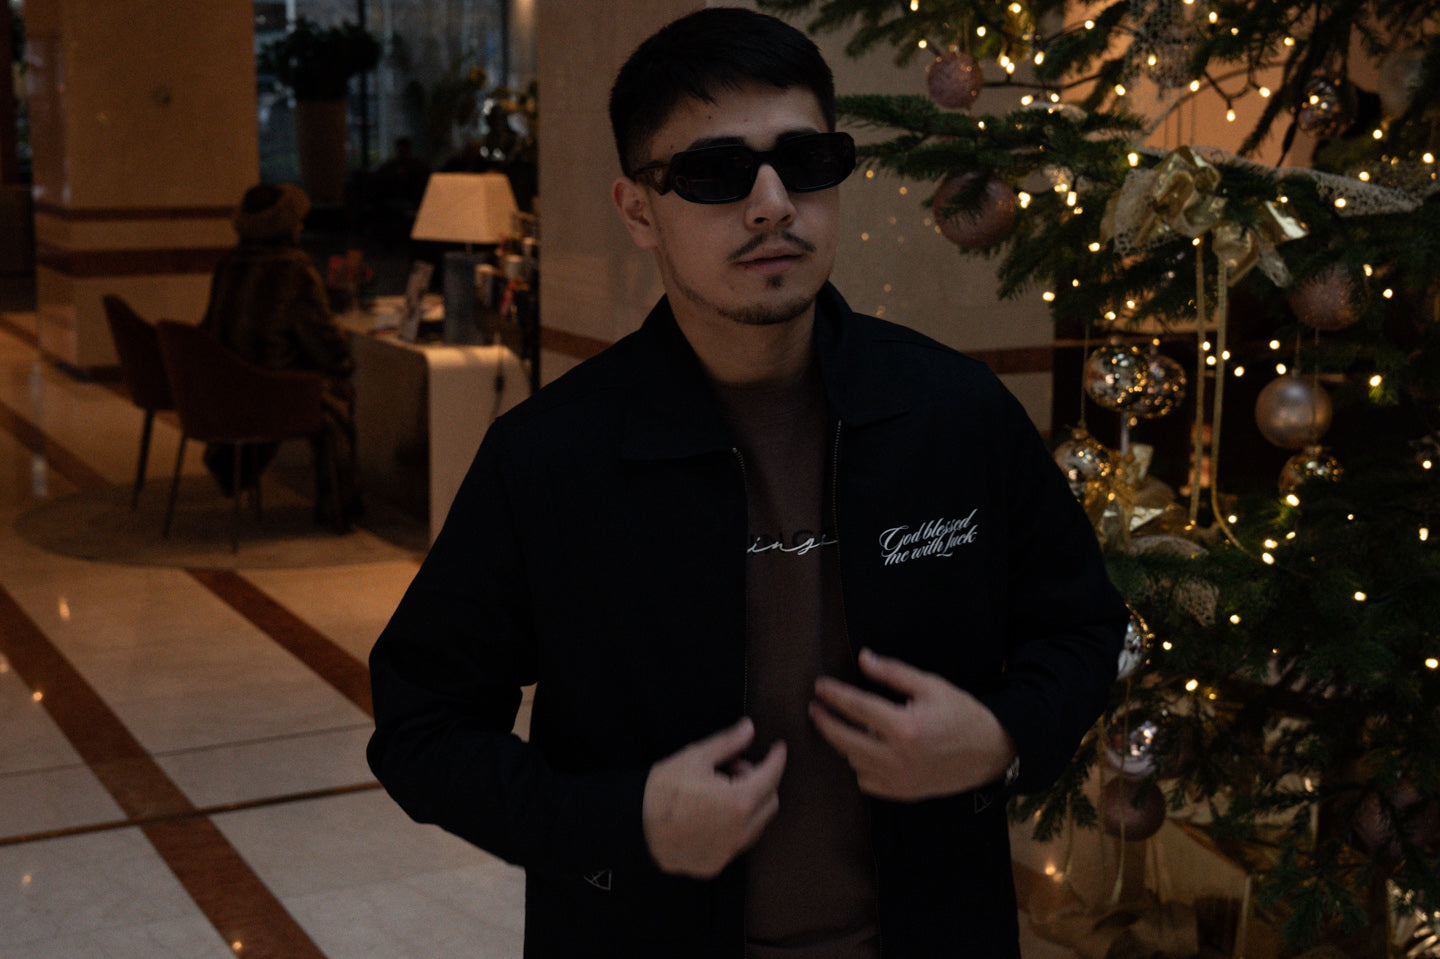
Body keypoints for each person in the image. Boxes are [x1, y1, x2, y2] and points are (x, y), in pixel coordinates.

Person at [367, 8, 1127, 958]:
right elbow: (421, 725)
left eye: (805, 161)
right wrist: (621, 819)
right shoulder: (551, 458)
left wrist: (1002, 737)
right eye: (716, 172)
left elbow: (1081, 623)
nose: (772, 203)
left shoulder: (952, 413)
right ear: (637, 210)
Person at [200, 182, 359, 529]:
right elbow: (326, 344)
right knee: (338, 395)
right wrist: (344, 361)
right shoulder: (293, 268)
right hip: (270, 397)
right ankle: (337, 505)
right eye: (297, 221)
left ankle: (233, 464)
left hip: (223, 394)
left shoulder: (228, 264)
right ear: (286, 226)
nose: (302, 226)